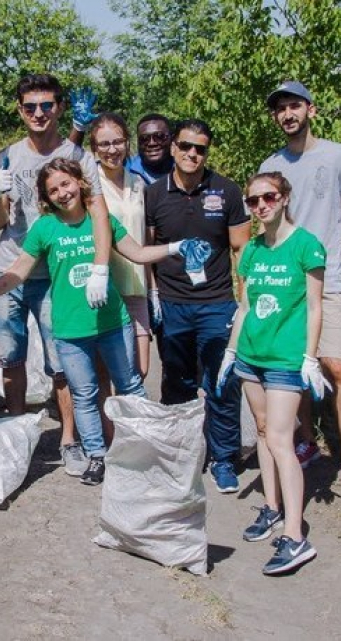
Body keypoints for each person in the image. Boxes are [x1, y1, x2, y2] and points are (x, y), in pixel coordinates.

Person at [0, 158, 193, 485]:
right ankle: (96, 455)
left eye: (66, 184)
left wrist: (175, 247)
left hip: (112, 322)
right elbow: (20, 269)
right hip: (69, 331)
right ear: (46, 198)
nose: (62, 193)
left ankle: (144, 448)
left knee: (131, 386)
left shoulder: (100, 221)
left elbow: (137, 253)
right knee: (85, 394)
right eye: (53, 190)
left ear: (79, 182)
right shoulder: (45, 228)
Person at [0, 73, 113, 477]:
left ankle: (69, 439)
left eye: (46, 106)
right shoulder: (6, 156)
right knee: (10, 355)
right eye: (29, 107)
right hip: (12, 267)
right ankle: (17, 432)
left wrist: (99, 267)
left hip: (58, 273)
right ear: (20, 110)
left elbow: (97, 211)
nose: (38, 114)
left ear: (59, 108)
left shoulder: (77, 156)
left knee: (63, 360)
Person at [260, 80, 341, 498]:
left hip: (328, 279)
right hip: (287, 281)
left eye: (294, 106)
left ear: (311, 109)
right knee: (294, 365)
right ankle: (308, 439)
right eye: (280, 109)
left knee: (336, 364)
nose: (287, 114)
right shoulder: (272, 165)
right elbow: (266, 225)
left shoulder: (338, 155)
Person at [217, 171, 327, 575]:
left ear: (284, 198)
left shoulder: (305, 246)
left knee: (282, 440)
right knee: (263, 431)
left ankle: (296, 536)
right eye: (253, 200)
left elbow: (316, 307)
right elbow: (245, 307)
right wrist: (231, 352)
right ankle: (272, 507)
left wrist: (310, 358)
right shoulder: (251, 251)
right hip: (250, 355)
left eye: (268, 197)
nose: (261, 206)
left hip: (285, 359)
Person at [145, 118, 250, 493]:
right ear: (173, 147)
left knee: (222, 383)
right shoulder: (154, 194)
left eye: (200, 149)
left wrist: (242, 302)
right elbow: (148, 249)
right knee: (178, 384)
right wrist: (153, 294)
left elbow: (241, 250)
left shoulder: (227, 191)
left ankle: (224, 458)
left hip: (217, 304)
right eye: (186, 146)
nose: (192, 154)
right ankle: (181, 455)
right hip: (172, 305)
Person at [88, 112, 152, 377]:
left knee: (140, 370)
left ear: (127, 143)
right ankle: (107, 421)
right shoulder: (89, 185)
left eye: (117, 142)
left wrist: (154, 289)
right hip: (105, 289)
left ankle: (128, 420)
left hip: (136, 288)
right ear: (94, 149)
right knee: (107, 372)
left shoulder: (138, 181)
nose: (112, 149)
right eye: (104, 144)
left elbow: (146, 238)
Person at [125, 114, 174, 185]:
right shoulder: (125, 170)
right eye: (144, 139)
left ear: (172, 139)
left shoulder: (184, 168)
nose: (152, 143)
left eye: (159, 136)